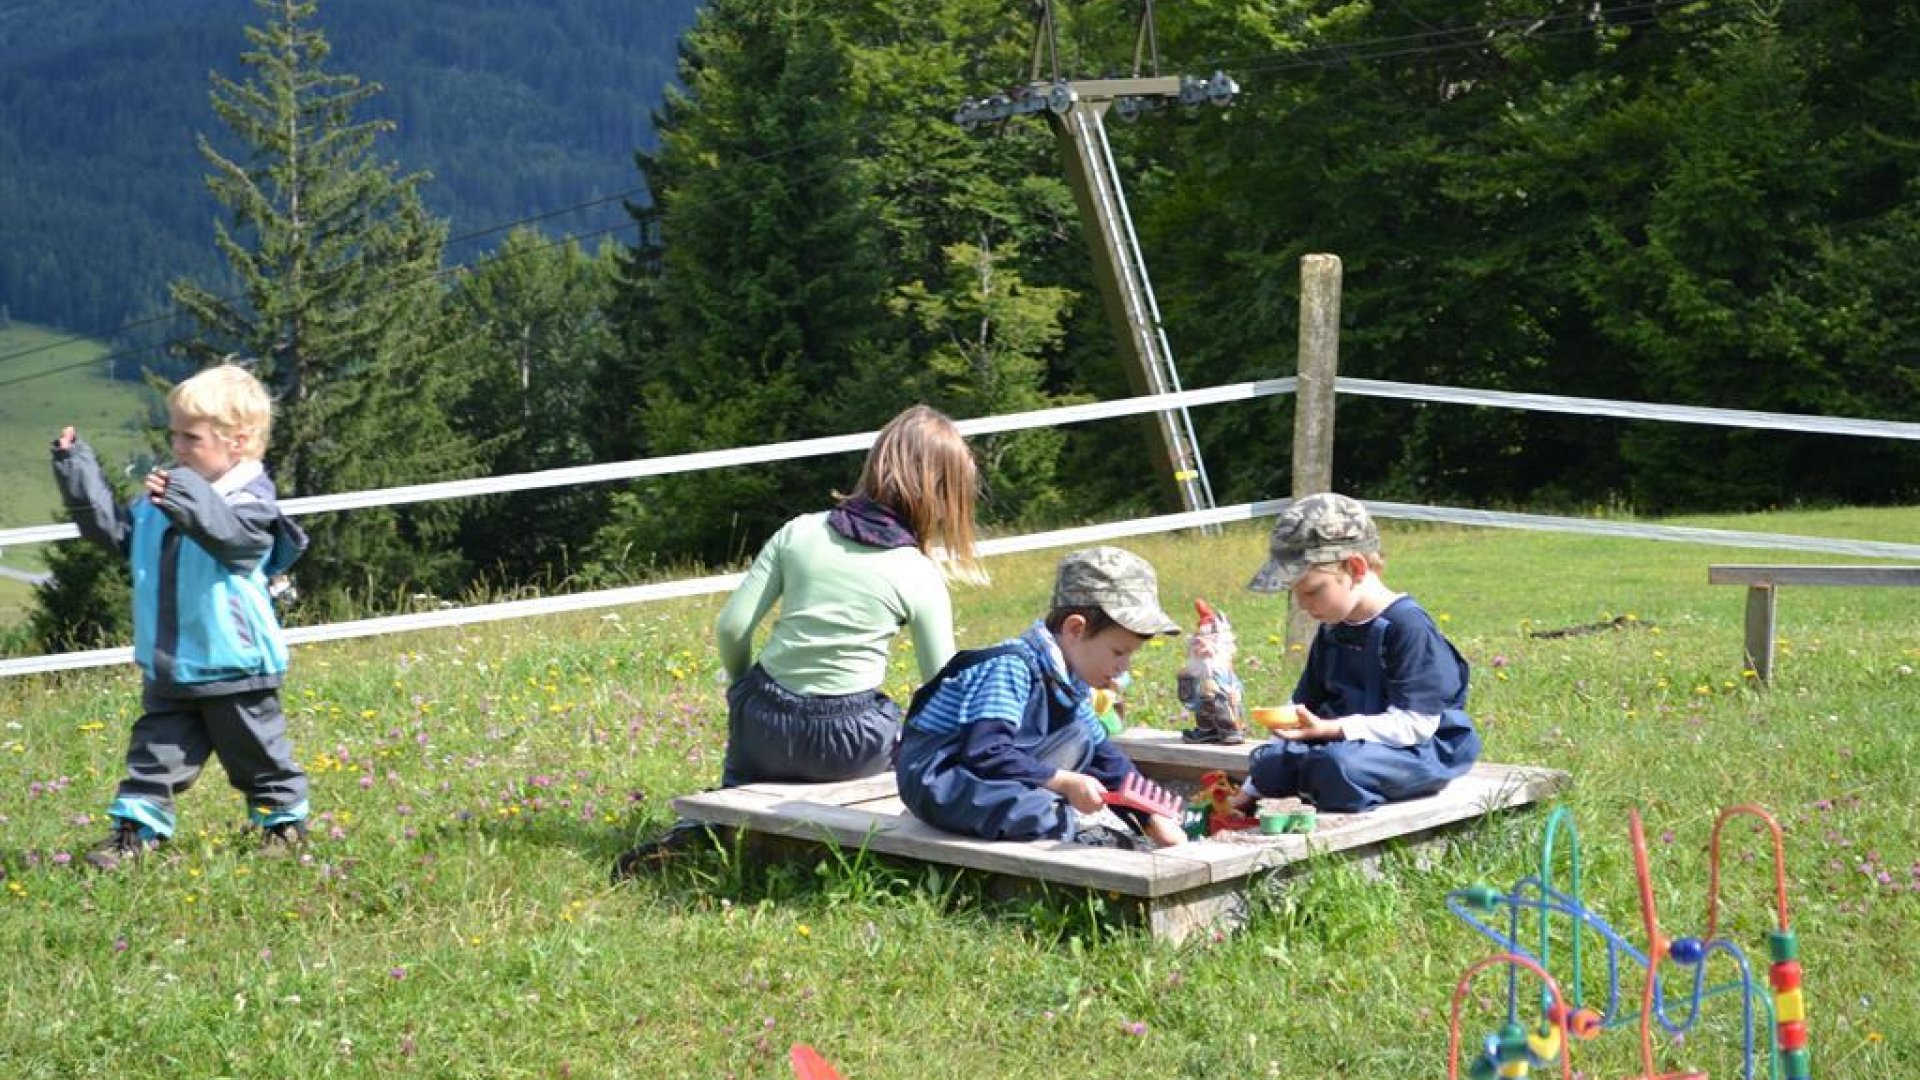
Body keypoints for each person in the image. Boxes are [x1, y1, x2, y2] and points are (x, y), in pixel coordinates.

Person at [51, 363, 311, 869]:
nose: (177, 447)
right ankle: (133, 837)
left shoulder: (252, 503)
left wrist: (182, 496)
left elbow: (233, 541)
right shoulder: (163, 500)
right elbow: (117, 534)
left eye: (191, 437)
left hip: (235, 665)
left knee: (259, 758)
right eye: (174, 435)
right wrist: (76, 470)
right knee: (153, 759)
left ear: (238, 442)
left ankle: (283, 829)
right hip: (171, 663)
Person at [713, 404, 983, 788]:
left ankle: (712, 815)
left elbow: (731, 626)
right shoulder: (918, 572)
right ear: (943, 495)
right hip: (852, 741)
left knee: (737, 783)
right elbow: (940, 687)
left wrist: (742, 691)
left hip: (762, 725)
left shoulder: (798, 532)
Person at [896, 546, 1188, 849]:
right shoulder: (1010, 667)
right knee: (1039, 811)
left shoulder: (1069, 680)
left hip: (984, 775)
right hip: (942, 778)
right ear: (1075, 629)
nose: (1123, 667)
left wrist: (1151, 817)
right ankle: (1068, 834)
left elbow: (1105, 758)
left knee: (1080, 736)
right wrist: (1063, 781)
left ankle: (1016, 813)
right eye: (1118, 652)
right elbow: (985, 751)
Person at [1233, 493, 1480, 814]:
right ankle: (1314, 785)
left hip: (1413, 750)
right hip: (1344, 743)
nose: (1303, 605)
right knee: (1269, 764)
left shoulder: (1407, 627)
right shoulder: (1332, 628)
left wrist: (1334, 730)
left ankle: (1329, 793)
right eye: (1296, 594)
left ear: (1355, 567)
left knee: (1339, 766)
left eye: (1312, 591)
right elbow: (1304, 707)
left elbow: (1416, 724)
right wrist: (1252, 787)